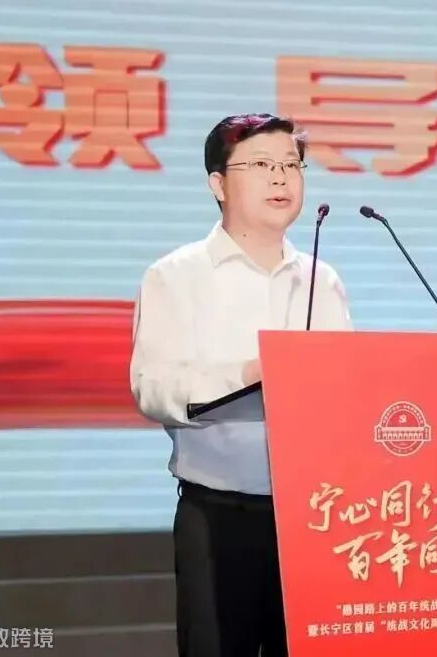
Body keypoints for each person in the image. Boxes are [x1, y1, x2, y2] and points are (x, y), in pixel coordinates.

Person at [129, 113, 353, 656]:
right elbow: (153, 387)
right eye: (260, 164)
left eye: (291, 165)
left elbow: (347, 389)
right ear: (218, 184)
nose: (280, 177)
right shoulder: (176, 275)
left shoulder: (322, 280)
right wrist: (250, 376)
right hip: (218, 516)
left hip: (316, 516)